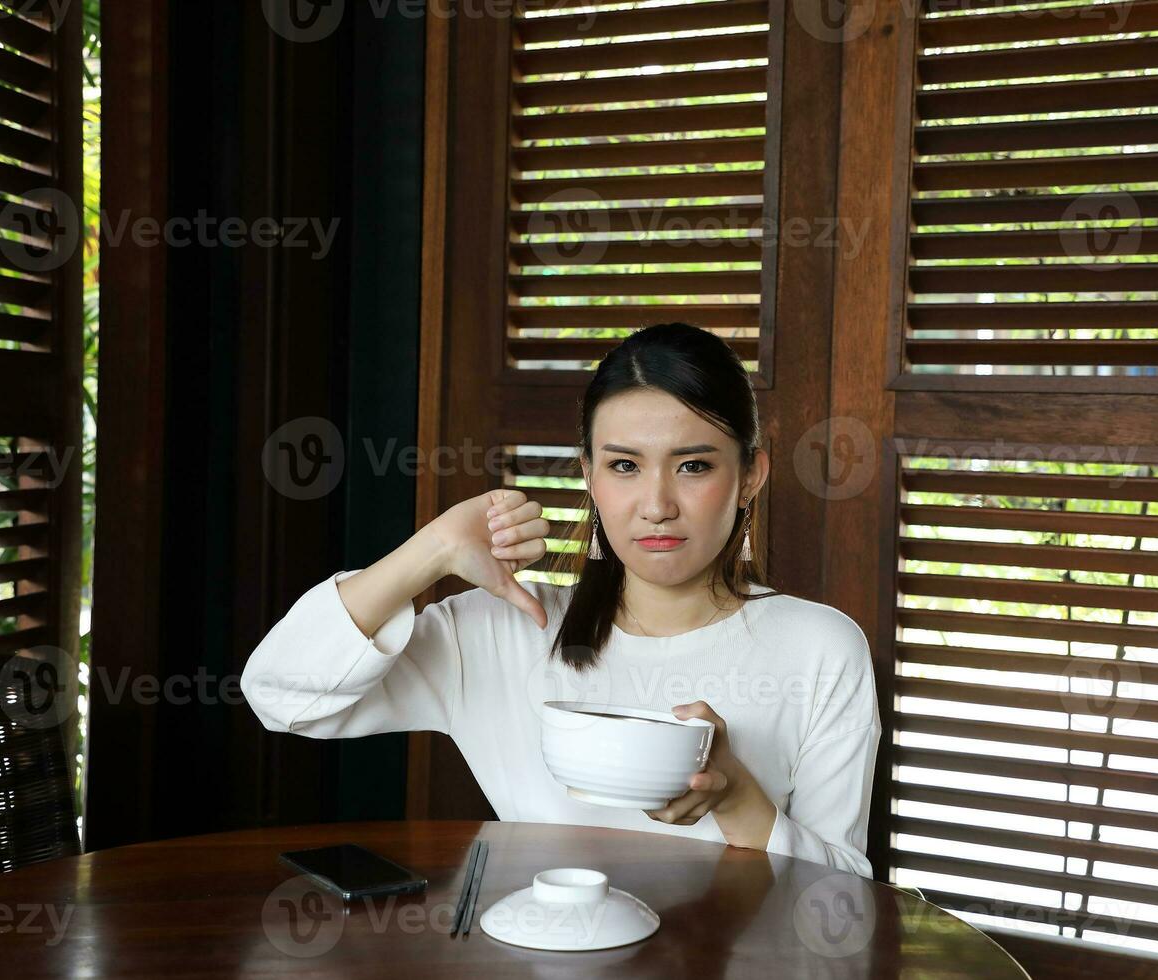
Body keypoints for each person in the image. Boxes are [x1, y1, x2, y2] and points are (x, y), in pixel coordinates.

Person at [241, 323, 882, 877]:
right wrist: (431, 550)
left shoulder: (819, 647)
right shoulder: (510, 628)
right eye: (625, 466)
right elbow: (280, 696)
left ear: (750, 476)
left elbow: (843, 902)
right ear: (589, 476)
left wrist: (738, 797)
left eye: (693, 466)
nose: (657, 505)